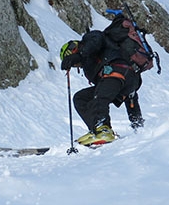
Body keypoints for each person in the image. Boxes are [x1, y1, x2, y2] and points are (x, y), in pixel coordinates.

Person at [60, 17, 145, 146]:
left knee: (99, 97)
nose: (76, 64)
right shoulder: (91, 65)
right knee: (81, 98)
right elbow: (126, 93)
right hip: (127, 79)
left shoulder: (89, 39)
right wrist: (137, 122)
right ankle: (102, 129)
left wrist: (80, 54)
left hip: (118, 71)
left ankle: (103, 130)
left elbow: (96, 40)